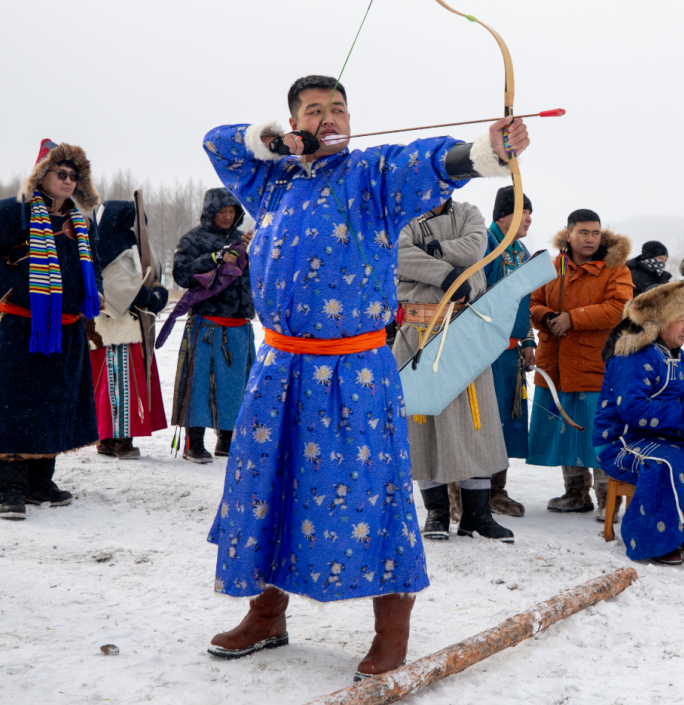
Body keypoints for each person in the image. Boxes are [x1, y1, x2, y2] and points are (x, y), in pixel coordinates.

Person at [200, 75, 528, 679]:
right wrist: (265, 142)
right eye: (314, 110)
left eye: (338, 109)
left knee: (371, 490)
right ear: (294, 123)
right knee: (268, 483)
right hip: (279, 367)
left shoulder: (372, 175)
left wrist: (486, 151)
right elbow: (217, 142)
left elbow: (433, 161)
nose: (328, 118)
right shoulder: (269, 181)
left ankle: (391, 631)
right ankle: (266, 614)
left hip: (353, 371)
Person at [0, 139, 103, 520]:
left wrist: (95, 294)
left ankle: (41, 482)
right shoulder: (12, 211)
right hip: (19, 327)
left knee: (53, 403)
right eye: (62, 173)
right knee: (13, 406)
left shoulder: (81, 222)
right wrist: (16, 289)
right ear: (41, 174)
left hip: (66, 330)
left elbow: (94, 265)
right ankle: (8, 488)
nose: (69, 180)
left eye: (75, 175)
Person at [593, 282, 684, 564]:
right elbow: (633, 410)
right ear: (659, 321)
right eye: (679, 320)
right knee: (668, 463)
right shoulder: (633, 356)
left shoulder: (680, 356)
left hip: (665, 435)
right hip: (623, 441)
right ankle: (656, 539)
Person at [392, 199, 514, 542]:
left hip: (465, 329)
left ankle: (477, 515)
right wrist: (447, 275)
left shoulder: (469, 213)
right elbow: (399, 255)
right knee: (423, 424)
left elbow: (475, 248)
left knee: (476, 423)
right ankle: (437, 512)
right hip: (418, 331)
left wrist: (431, 250)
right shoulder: (403, 216)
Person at [528, 209, 633, 521]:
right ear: (568, 234)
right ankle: (575, 493)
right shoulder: (553, 267)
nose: (590, 239)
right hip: (556, 366)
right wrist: (548, 317)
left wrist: (572, 319)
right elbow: (532, 303)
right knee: (564, 431)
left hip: (594, 365)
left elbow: (619, 308)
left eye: (595, 233)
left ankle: (607, 499)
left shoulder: (616, 269)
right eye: (583, 232)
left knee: (597, 435)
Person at [170, 189, 256, 463]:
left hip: (239, 325)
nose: (228, 217)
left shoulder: (244, 240)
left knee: (235, 387)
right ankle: (194, 443)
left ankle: (227, 441)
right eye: (222, 212)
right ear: (210, 212)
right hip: (206, 325)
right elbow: (182, 275)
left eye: (232, 212)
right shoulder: (193, 239)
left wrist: (255, 250)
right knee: (199, 386)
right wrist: (216, 257)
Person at [88, 200, 169, 459]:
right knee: (121, 385)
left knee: (112, 384)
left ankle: (108, 438)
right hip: (117, 326)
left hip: (117, 328)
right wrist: (153, 298)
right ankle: (120, 440)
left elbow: (143, 278)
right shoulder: (109, 247)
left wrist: (155, 294)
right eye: (132, 221)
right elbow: (121, 288)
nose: (135, 227)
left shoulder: (112, 245)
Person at [483, 185, 534, 517]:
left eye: (530, 213)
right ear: (504, 214)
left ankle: (496, 490)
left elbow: (523, 303)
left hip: (511, 352)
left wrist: (528, 342)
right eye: (523, 212)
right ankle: (473, 493)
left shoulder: (521, 252)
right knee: (485, 420)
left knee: (506, 420)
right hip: (485, 351)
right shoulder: (485, 245)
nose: (528, 218)